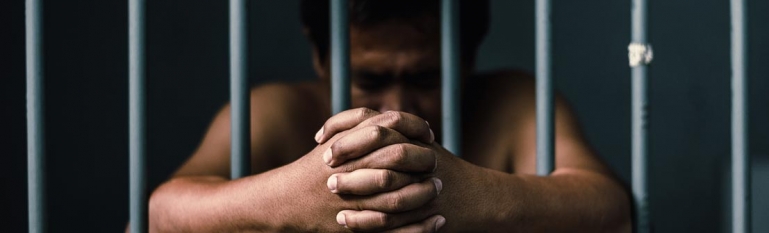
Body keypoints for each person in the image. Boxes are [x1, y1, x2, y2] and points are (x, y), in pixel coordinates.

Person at [147, 0, 631, 232]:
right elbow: (155, 217)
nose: (396, 108)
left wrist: (469, 195)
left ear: (468, 59)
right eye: (369, 80)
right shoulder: (274, 111)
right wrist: (290, 199)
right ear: (320, 60)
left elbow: (613, 211)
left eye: (427, 78)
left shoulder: (512, 101)